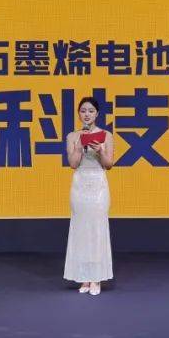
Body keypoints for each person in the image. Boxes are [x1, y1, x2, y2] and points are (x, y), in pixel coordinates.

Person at [64, 96, 114, 295]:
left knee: (97, 229)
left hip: (98, 185)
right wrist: (78, 147)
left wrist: (100, 150)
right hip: (80, 185)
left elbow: (109, 164)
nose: (87, 114)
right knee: (81, 230)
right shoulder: (72, 136)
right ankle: (84, 277)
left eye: (91, 111)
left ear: (97, 114)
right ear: (79, 113)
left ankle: (96, 278)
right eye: (83, 111)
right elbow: (73, 164)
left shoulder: (106, 135)